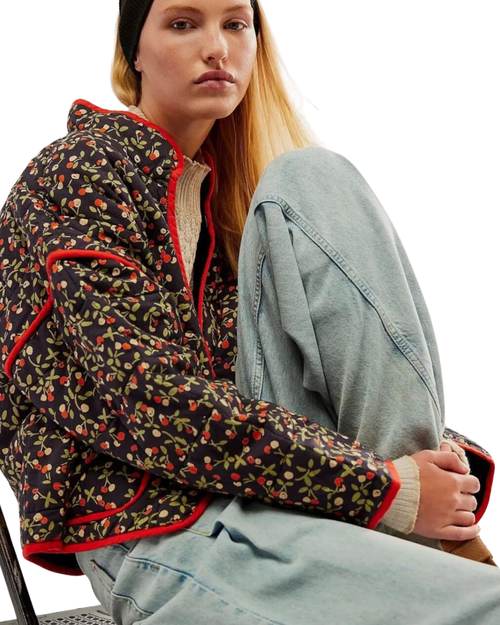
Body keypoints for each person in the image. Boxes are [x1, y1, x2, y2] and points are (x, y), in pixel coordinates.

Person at [0, 0, 498, 623]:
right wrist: (385, 487)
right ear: (133, 54)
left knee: (313, 176)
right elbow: (147, 400)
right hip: (155, 526)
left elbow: (306, 397)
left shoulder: (233, 207)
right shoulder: (78, 173)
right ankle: (424, 534)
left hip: (270, 493)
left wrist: (427, 468)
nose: (218, 47)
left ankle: (423, 531)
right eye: (183, 23)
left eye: (236, 24)